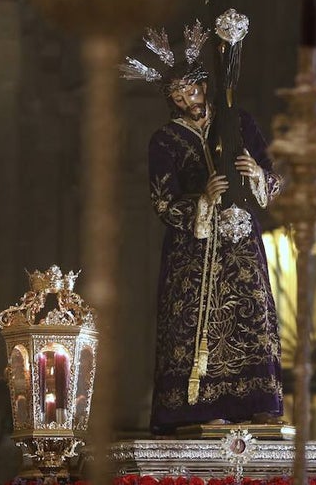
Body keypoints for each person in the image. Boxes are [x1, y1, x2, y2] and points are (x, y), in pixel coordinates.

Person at [121, 22, 283, 433]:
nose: (185, 100)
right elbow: (162, 201)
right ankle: (196, 406)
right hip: (193, 249)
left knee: (253, 313)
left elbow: (272, 177)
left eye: (190, 91)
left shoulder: (238, 123)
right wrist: (203, 199)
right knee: (195, 320)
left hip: (241, 239)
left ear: (203, 87)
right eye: (176, 96)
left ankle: (257, 401)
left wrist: (256, 175)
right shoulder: (164, 141)